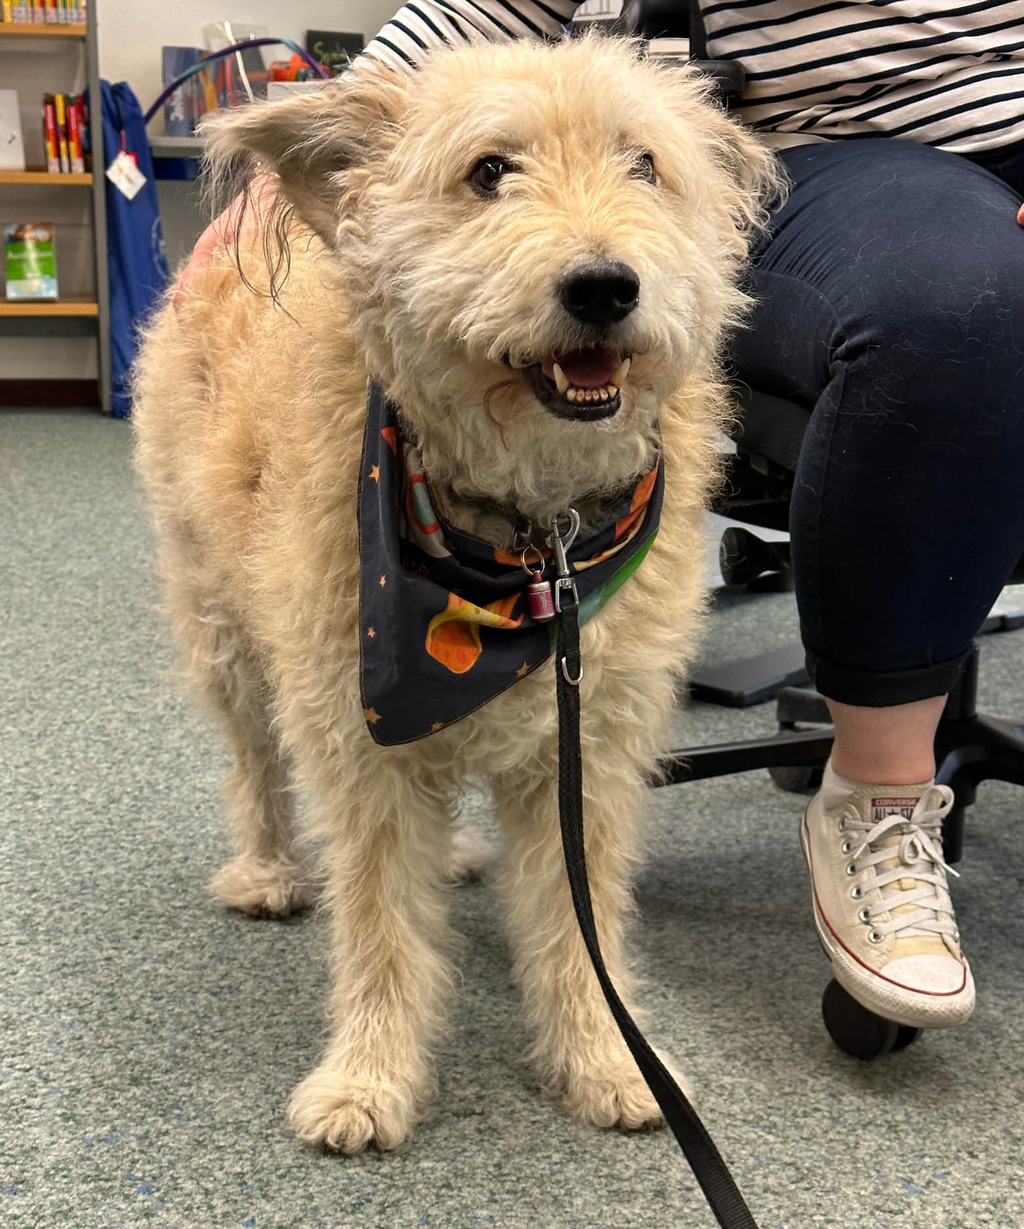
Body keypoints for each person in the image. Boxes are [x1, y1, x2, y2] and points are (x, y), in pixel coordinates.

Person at [180, 0, 1024, 1031]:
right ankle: (270, 834)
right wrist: (309, 162)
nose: (588, 238)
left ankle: (598, 998)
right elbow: (488, 13)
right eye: (494, 175)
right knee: (958, 304)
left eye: (631, 168)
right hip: (833, 164)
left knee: (589, 758)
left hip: (981, 132)